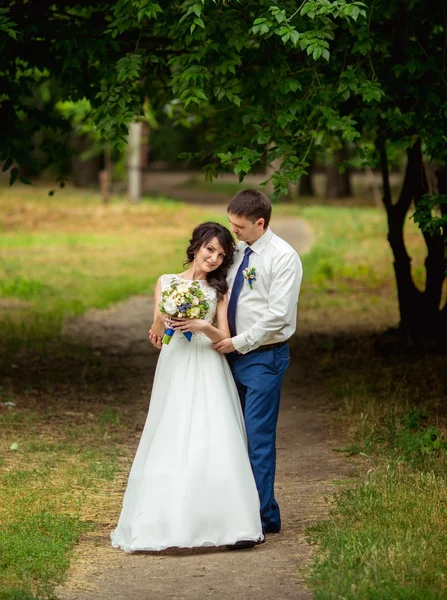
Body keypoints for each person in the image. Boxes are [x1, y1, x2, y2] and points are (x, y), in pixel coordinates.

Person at [111, 222, 263, 552]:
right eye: (210, 250)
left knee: (212, 433)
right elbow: (155, 333)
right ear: (195, 247)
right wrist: (165, 317)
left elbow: (225, 337)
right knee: (172, 429)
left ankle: (227, 523)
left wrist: (201, 325)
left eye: (221, 255)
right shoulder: (166, 282)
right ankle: (163, 521)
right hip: (175, 362)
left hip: (208, 364)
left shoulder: (217, 291)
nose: (214, 258)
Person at [214, 189, 303, 536]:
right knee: (228, 434)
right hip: (226, 354)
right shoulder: (236, 253)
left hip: (263, 356)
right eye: (231, 223)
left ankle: (262, 517)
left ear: (260, 223)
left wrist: (238, 342)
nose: (232, 230)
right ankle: (239, 510)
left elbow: (278, 316)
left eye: (238, 226)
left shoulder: (283, 258)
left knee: (258, 437)